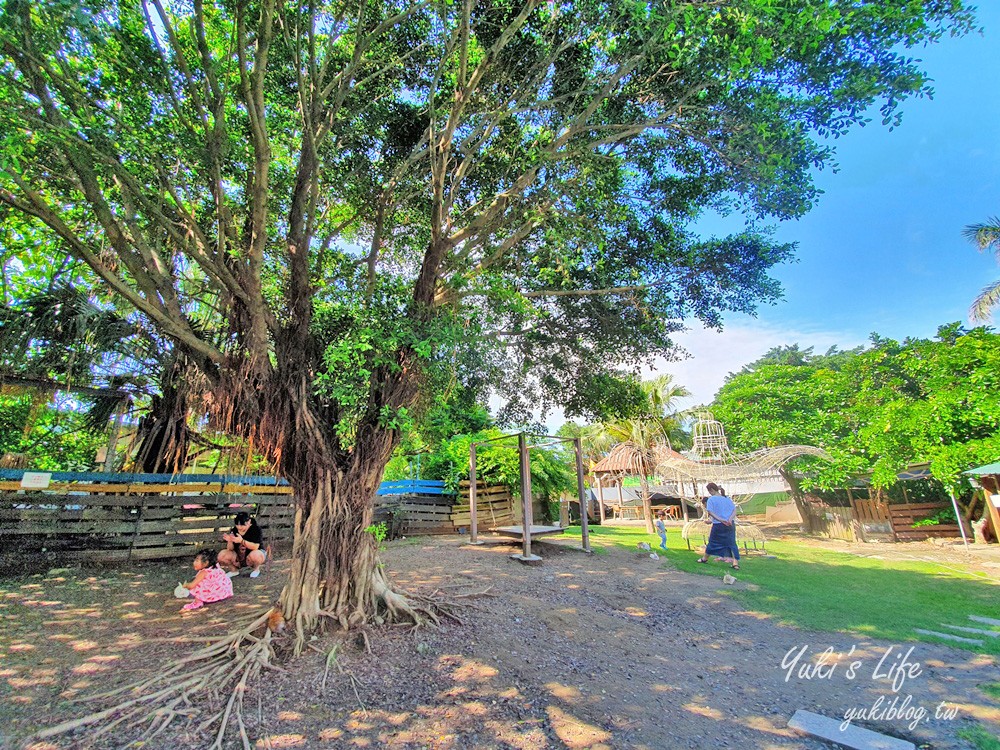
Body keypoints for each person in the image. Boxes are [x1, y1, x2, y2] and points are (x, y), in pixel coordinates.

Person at [696, 483, 740, 570]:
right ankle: (735, 564)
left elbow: (710, 512)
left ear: (711, 490)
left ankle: (704, 558)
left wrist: (720, 520)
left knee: (713, 542)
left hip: (719, 525)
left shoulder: (712, 499)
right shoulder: (727, 499)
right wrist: (730, 519)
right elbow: (734, 510)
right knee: (732, 543)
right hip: (730, 525)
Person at [219, 512, 266, 578]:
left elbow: (256, 547)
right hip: (238, 555)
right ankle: (234, 571)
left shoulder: (256, 529)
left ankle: (256, 569)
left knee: (256, 555)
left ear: (249, 521)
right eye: (237, 525)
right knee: (222, 555)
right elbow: (230, 549)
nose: (239, 527)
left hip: (253, 553)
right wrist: (230, 541)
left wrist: (242, 541)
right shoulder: (234, 530)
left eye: (242, 525)